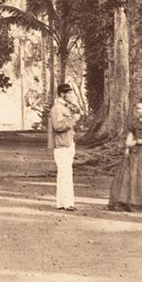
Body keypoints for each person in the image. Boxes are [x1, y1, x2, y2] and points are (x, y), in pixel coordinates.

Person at [47, 82, 79, 211]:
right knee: (65, 173)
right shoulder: (57, 108)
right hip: (61, 144)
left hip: (67, 143)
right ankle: (67, 203)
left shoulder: (65, 107)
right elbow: (58, 126)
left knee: (64, 173)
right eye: (69, 93)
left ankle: (62, 203)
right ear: (62, 94)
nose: (72, 95)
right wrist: (73, 120)